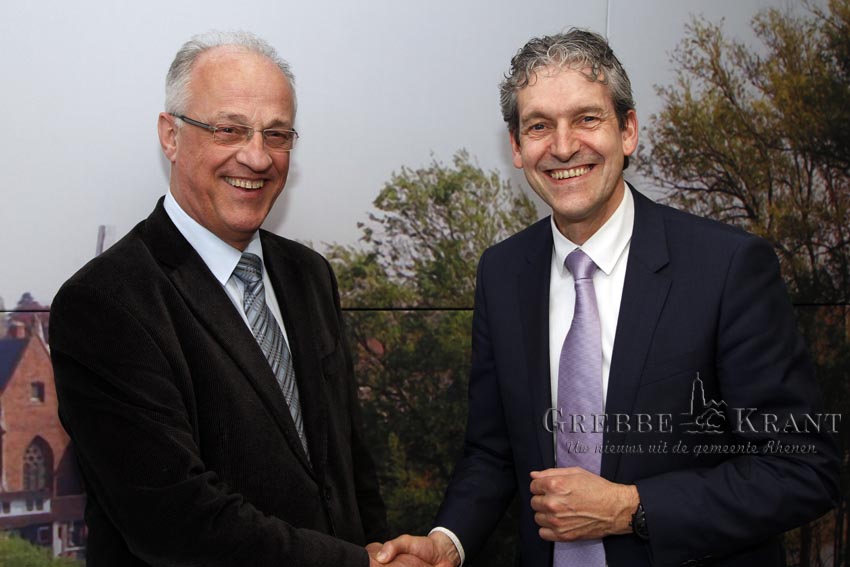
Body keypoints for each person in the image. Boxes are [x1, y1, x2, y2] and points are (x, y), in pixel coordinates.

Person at [377, 29, 840, 567]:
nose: (563, 146)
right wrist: (447, 542)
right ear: (517, 148)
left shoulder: (727, 267)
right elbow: (494, 450)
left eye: (586, 119)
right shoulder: (502, 273)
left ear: (628, 131)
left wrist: (631, 508)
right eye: (539, 126)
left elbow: (801, 468)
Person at [50, 31, 423, 567]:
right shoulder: (106, 303)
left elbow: (349, 469)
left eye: (277, 134)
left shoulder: (309, 275)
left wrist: (382, 553)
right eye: (229, 129)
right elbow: (174, 520)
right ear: (171, 135)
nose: (257, 157)